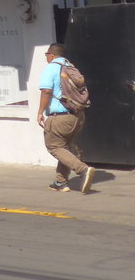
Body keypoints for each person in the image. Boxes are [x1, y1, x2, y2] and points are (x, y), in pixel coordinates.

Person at [38, 43, 95, 193]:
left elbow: (45, 91)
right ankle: (60, 182)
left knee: (54, 146)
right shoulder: (70, 66)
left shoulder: (51, 68)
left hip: (59, 118)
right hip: (77, 116)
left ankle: (83, 170)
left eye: (46, 55)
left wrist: (39, 113)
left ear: (51, 54)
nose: (46, 57)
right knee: (64, 148)